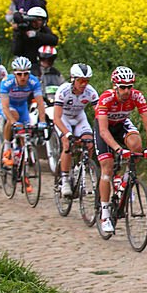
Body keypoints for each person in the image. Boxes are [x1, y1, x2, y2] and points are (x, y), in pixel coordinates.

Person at [94, 66, 147, 235]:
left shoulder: (137, 96)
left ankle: (125, 179)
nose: (127, 90)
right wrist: (117, 149)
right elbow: (103, 131)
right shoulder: (106, 98)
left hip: (122, 123)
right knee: (106, 167)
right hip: (105, 128)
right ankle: (105, 213)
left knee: (137, 146)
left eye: (130, 86)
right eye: (123, 87)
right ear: (115, 86)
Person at [0, 56, 49, 193]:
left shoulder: (33, 81)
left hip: (23, 107)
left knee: (25, 138)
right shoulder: (6, 82)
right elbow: (4, 107)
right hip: (9, 107)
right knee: (13, 118)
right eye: (19, 74)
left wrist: (43, 121)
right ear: (14, 74)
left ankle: (23, 173)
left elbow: (40, 103)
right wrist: (14, 122)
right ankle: (7, 149)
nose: (23, 77)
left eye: (26, 74)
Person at [53, 63, 100, 196]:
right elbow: (56, 118)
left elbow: (100, 114)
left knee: (89, 143)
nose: (84, 84)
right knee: (67, 144)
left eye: (86, 81)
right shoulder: (63, 91)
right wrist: (67, 134)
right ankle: (65, 179)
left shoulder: (91, 92)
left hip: (79, 117)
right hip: (64, 118)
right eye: (81, 80)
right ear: (73, 79)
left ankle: (80, 169)